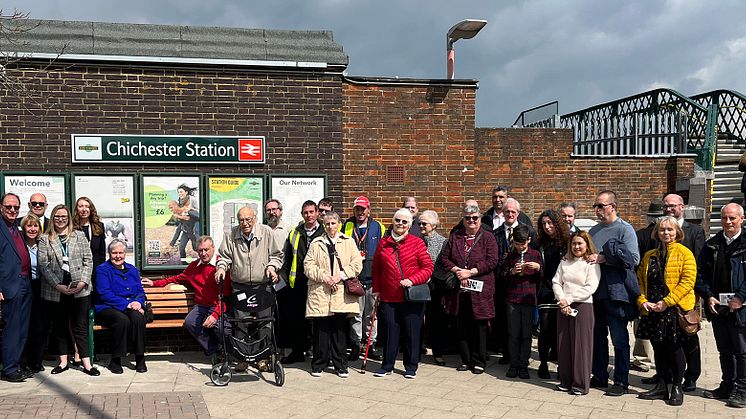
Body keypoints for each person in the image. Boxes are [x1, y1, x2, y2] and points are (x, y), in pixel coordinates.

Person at [635, 216, 696, 406]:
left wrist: (666, 302)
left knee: (675, 349)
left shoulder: (685, 253)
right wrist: (642, 300)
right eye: (662, 230)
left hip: (673, 309)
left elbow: (687, 282)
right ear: (657, 233)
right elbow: (640, 280)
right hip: (653, 310)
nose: (666, 233)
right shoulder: (649, 255)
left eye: (670, 230)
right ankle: (661, 385)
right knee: (658, 349)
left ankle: (677, 386)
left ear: (677, 232)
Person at [216, 206, 283, 372]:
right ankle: (242, 359)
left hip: (262, 284)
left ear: (255, 218)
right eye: (241, 220)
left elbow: (276, 255)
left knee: (264, 322)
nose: (245, 223)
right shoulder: (230, 234)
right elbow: (224, 257)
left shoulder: (266, 232)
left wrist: (272, 267)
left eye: (248, 219)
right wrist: (222, 268)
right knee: (241, 322)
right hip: (240, 285)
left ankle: (263, 358)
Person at [142, 236, 232, 358]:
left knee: (221, 329)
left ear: (213, 248)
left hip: (219, 306)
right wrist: (155, 283)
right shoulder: (194, 267)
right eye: (200, 250)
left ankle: (229, 352)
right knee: (190, 322)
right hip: (201, 306)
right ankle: (215, 351)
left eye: (206, 250)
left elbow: (225, 297)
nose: (203, 253)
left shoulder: (221, 267)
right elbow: (177, 278)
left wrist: (215, 315)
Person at [588, 190, 640, 397]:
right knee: (598, 337)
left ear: (613, 206)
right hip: (595, 292)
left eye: (600, 205)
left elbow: (633, 259)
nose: (597, 210)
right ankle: (599, 375)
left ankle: (621, 380)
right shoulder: (593, 230)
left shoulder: (625, 229)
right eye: (596, 206)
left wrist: (604, 258)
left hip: (616, 293)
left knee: (619, 339)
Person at [371, 208, 433, 378]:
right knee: (390, 331)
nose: (400, 224)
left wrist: (412, 280)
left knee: (411, 333)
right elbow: (376, 268)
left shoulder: (417, 242)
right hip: (389, 296)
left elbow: (428, 268)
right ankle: (387, 365)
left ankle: (411, 367)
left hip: (411, 296)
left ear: (410, 224)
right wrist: (376, 289)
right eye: (398, 220)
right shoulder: (383, 243)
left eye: (404, 221)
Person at [695, 203, 746, 408]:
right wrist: (708, 296)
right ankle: (727, 385)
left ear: (742, 219)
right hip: (718, 306)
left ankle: (742, 390)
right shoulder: (712, 244)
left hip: (741, 307)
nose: (728, 222)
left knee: (742, 351)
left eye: (732, 218)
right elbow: (700, 275)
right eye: (725, 218)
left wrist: (740, 298)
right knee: (724, 349)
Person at [38, 204, 98, 376]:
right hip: (56, 289)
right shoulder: (45, 238)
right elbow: (44, 265)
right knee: (59, 327)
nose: (60, 219)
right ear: (53, 218)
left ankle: (87, 364)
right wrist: (57, 285)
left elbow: (89, 260)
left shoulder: (79, 236)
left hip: (79, 289)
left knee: (80, 327)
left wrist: (83, 282)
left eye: (64, 216)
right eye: (57, 216)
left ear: (69, 218)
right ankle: (63, 362)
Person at [303, 211, 363, 377]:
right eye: (327, 223)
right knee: (321, 331)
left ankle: (340, 365)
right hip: (321, 291)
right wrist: (325, 277)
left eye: (333, 223)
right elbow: (308, 265)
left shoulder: (348, 242)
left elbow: (357, 264)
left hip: (340, 291)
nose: (330, 226)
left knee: (339, 330)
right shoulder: (316, 243)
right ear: (324, 225)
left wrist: (340, 276)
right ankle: (319, 364)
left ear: (339, 224)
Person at [441, 204, 499, 374]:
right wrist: (458, 271)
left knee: (479, 326)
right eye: (468, 218)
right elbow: (445, 259)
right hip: (459, 290)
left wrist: (471, 272)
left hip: (480, 289)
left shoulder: (488, 237)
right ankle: (466, 360)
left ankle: (479, 360)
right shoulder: (455, 237)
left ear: (480, 219)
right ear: (463, 220)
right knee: (461, 325)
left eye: (475, 218)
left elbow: (492, 261)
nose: (471, 221)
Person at [553, 231, 601, 395]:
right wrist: (562, 299)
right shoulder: (565, 261)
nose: (576, 247)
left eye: (580, 243)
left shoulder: (591, 264)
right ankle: (565, 380)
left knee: (581, 346)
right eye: (574, 243)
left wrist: (569, 299)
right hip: (563, 306)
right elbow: (556, 281)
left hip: (582, 307)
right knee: (564, 344)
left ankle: (580, 384)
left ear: (587, 245)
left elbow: (590, 287)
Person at [278, 200, 324, 364]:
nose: (309, 215)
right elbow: (288, 258)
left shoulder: (325, 231)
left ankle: (318, 354)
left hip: (319, 283)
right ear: (302, 214)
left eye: (311, 212)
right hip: (298, 283)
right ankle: (298, 352)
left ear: (317, 212)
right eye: (306, 212)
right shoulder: (295, 233)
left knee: (318, 319)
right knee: (297, 319)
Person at [492, 197, 537, 364]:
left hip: (524, 287)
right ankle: (507, 354)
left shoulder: (529, 232)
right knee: (505, 322)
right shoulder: (495, 233)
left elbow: (536, 256)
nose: (510, 214)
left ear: (518, 213)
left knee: (523, 326)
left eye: (513, 211)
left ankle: (522, 357)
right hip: (502, 283)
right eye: (507, 211)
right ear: (502, 213)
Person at [341, 195, 386, 361]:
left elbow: (383, 253)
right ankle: (355, 344)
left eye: (363, 209)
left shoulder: (378, 227)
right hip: (354, 279)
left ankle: (370, 345)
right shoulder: (346, 225)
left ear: (369, 209)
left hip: (372, 277)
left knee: (371, 315)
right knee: (355, 314)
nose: (360, 212)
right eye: (357, 209)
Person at [94, 239, 147, 374]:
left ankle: (140, 358)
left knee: (137, 318)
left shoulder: (132, 270)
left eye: (121, 253)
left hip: (130, 307)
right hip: (107, 307)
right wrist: (128, 304)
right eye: (114, 253)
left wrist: (138, 303)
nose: (118, 256)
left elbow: (140, 292)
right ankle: (115, 360)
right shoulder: (102, 270)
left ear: (125, 253)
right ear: (109, 254)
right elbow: (104, 293)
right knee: (121, 320)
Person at [501, 225, 543, 379]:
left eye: (522, 244)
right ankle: (514, 364)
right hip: (512, 299)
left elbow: (543, 278)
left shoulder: (536, 254)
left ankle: (523, 364)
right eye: (517, 244)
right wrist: (511, 271)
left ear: (529, 240)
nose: (519, 247)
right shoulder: (510, 256)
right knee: (513, 334)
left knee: (526, 334)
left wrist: (538, 268)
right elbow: (502, 275)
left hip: (529, 299)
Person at [0, 193, 33, 382]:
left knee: (22, 328)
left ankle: (16, 365)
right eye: (8, 207)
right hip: (10, 285)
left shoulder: (16, 227)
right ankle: (10, 369)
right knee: (12, 328)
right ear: (1, 207)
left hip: (25, 282)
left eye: (16, 207)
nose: (12, 210)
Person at [536, 209, 570, 379]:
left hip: (564, 292)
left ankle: (561, 366)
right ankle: (542, 364)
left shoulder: (567, 242)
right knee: (545, 329)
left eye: (550, 223)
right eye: (544, 224)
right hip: (545, 290)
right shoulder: (540, 243)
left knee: (561, 331)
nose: (547, 227)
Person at [631, 203, 663, 375]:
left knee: (642, 322)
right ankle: (660, 360)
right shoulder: (667, 235)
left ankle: (642, 359)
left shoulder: (640, 234)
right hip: (663, 286)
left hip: (643, 283)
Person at [420, 210, 449, 365]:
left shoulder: (443, 242)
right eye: (419, 223)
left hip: (435, 287)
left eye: (424, 223)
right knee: (417, 319)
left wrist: (431, 275)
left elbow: (444, 265)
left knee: (436, 320)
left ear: (434, 225)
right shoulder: (416, 240)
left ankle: (438, 352)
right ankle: (417, 349)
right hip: (418, 285)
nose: (421, 226)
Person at [21, 214, 49, 374]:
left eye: (35, 226)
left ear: (39, 228)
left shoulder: (42, 244)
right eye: (29, 226)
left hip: (41, 286)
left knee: (41, 326)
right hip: (25, 285)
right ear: (24, 228)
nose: (32, 229)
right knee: (26, 325)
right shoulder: (20, 244)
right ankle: (24, 360)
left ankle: (37, 360)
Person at [170, 183, 199, 262]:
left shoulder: (193, 200)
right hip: (186, 228)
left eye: (181, 192)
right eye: (178, 192)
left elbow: (199, 214)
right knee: (181, 247)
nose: (180, 194)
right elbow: (181, 213)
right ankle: (183, 263)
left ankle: (202, 262)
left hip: (193, 228)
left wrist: (189, 210)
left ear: (186, 192)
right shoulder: (180, 201)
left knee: (195, 248)